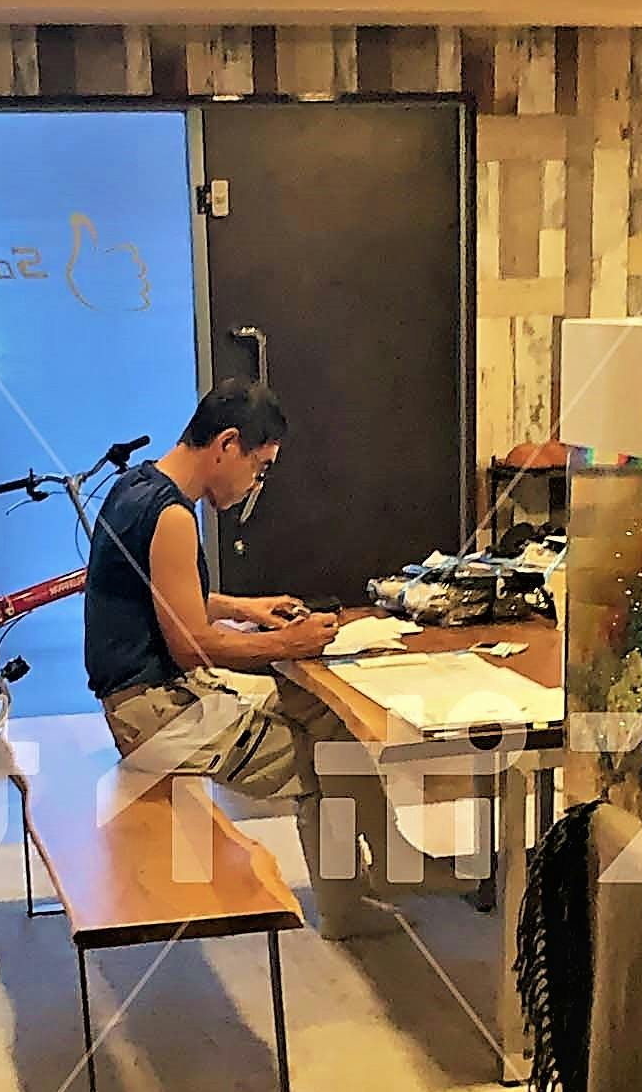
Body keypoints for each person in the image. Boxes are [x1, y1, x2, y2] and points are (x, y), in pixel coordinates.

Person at [83, 379, 427, 942]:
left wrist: (245, 607)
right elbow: (192, 645)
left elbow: (163, 594)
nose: (256, 485)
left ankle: (384, 868)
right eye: (259, 468)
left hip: (146, 698)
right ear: (227, 444)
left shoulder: (136, 486)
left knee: (320, 708)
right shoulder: (172, 517)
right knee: (325, 757)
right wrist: (291, 644)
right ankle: (367, 889)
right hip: (152, 714)